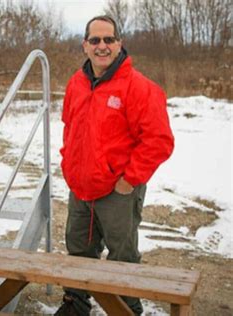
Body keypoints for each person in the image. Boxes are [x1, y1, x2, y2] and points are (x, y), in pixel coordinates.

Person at [56, 15, 174, 316]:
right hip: (81, 187)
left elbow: (159, 140)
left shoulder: (139, 87)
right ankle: (76, 305)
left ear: (119, 43)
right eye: (95, 40)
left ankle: (127, 309)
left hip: (118, 190)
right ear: (85, 45)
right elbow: (69, 126)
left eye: (109, 39)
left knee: (122, 256)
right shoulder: (77, 83)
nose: (102, 46)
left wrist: (130, 179)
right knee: (79, 249)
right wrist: (68, 163)